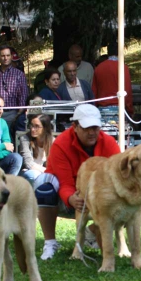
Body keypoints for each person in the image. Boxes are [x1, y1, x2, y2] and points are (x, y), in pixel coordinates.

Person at [34, 104, 121, 260]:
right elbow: (63, 180)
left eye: (95, 128)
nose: (92, 132)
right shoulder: (61, 143)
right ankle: (50, 242)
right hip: (68, 196)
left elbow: (119, 177)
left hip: (99, 197)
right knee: (43, 183)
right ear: (74, 126)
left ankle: (93, 231)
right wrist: (70, 198)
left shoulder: (109, 143)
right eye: (87, 128)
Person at [0, 45, 30, 133]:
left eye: (8, 55)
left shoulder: (19, 74)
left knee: (11, 140)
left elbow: (23, 94)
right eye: (3, 56)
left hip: (14, 113)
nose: (5, 58)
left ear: (11, 56)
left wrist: (19, 113)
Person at [91, 43, 134, 113]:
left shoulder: (99, 68)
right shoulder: (123, 68)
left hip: (102, 108)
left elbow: (94, 91)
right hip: (119, 108)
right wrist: (130, 109)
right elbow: (127, 90)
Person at [18, 113, 54, 186]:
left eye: (37, 126)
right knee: (34, 175)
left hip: (46, 173)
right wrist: (47, 171)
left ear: (45, 128)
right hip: (30, 172)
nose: (32, 129)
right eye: (31, 125)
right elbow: (28, 163)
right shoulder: (25, 139)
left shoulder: (53, 142)